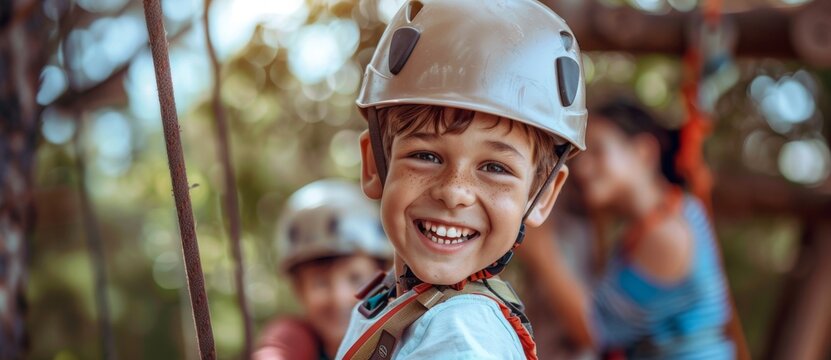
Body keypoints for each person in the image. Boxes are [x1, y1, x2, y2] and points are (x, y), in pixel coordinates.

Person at [334, 0, 588, 359]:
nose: (455, 192)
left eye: (495, 168)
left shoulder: (464, 336)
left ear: (543, 194)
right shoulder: (392, 303)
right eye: (426, 156)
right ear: (374, 165)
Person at [522, 100, 735, 359]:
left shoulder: (666, 235)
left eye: (598, 151)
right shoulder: (676, 213)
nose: (583, 168)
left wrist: (541, 251)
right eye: (582, 157)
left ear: (644, 152)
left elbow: (595, 330)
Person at [254, 179, 392, 360]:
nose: (339, 298)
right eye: (320, 282)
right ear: (299, 290)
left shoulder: (407, 336)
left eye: (356, 278)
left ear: (384, 278)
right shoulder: (294, 339)